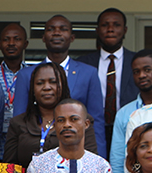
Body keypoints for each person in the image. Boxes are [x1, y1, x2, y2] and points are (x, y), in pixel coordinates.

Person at [10, 16, 103, 155]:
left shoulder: (89, 73)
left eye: (63, 29)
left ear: (72, 37)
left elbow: (97, 122)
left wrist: (99, 160)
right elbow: (19, 119)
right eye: (51, 29)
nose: (57, 33)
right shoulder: (26, 75)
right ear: (43, 37)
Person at [3, 62, 97, 166]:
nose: (46, 87)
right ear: (32, 90)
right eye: (40, 83)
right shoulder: (18, 123)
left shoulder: (80, 120)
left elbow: (90, 162)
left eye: (53, 82)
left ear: (63, 86)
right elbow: (9, 167)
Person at [77, 8, 138, 154]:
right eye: (105, 25)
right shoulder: (83, 63)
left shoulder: (136, 62)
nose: (110, 29)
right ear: (98, 30)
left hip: (129, 128)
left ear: (125, 30)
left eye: (116, 25)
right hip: (92, 130)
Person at [108, 50, 152, 173]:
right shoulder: (125, 113)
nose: (142, 75)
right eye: (136, 72)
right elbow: (118, 158)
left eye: (147, 70)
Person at [0, 23, 29, 137]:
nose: (11, 43)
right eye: (6, 40)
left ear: (25, 44)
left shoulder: (33, 76)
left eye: (17, 39)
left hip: (25, 137)